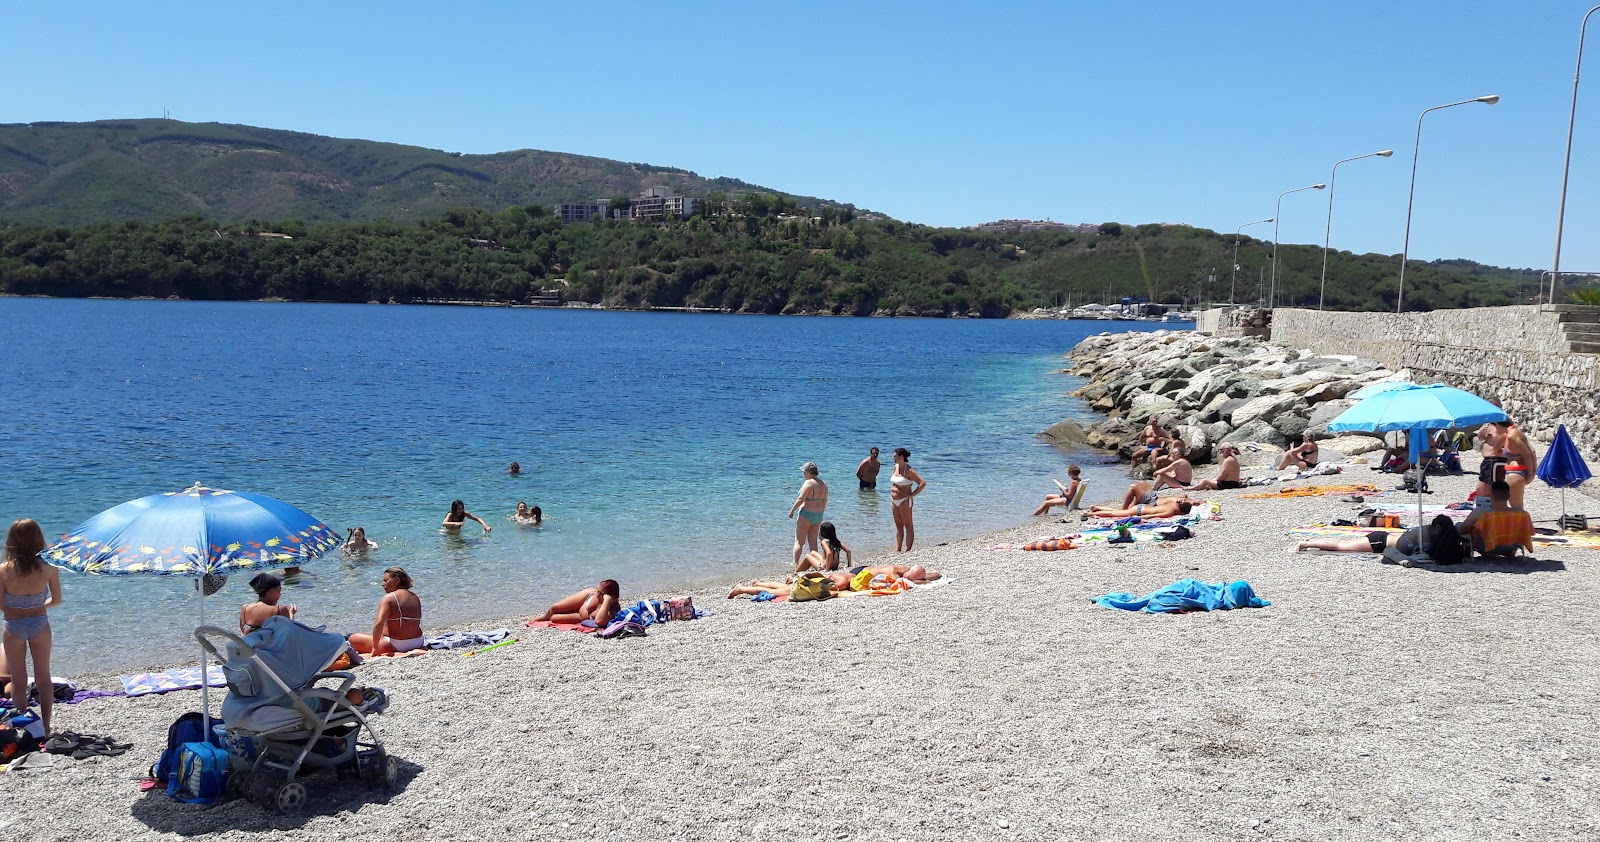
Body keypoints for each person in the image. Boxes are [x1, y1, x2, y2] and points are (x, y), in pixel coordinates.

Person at [1, 519, 63, 733]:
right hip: (39, 623)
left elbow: (0, 604)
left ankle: (24, 728)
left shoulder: (3, 570)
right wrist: (35, 606)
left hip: (13, 626)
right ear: (38, 539)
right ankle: (45, 727)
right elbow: (56, 599)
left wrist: (18, 609)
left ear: (11, 541)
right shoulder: (49, 567)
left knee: (19, 681)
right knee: (43, 678)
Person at [1294, 515, 1465, 564]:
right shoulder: (1425, 532)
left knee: (1343, 545)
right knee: (1341, 545)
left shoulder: (1434, 534)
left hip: (1386, 540)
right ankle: (1306, 543)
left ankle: (1309, 541)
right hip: (1379, 541)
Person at [348, 567, 425, 655]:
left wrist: (375, 647)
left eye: (386, 580)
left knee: (352, 638)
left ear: (397, 580)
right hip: (418, 642)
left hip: (398, 645)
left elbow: (378, 624)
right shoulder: (414, 596)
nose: (382, 584)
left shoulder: (389, 598)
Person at [1458, 480, 1534, 557]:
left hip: (1486, 546)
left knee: (1459, 526)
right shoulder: (1521, 513)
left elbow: (1463, 529)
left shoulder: (1482, 512)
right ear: (1508, 496)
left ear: (1490, 495)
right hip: (1511, 546)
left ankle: (1466, 547)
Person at [788, 462, 829, 569]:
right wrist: (821, 512)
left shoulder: (808, 483)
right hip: (818, 515)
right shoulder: (823, 484)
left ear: (810, 473)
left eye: (804, 472)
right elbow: (824, 500)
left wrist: (792, 510)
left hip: (806, 514)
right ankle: (815, 564)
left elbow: (801, 499)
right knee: (813, 541)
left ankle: (795, 564)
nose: (804, 474)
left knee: (799, 541)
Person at [1494, 420, 1540, 510]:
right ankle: (1521, 523)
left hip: (1515, 473)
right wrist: (1532, 471)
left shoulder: (1511, 437)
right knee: (1517, 506)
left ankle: (1521, 523)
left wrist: (1531, 474)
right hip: (1518, 472)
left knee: (1515, 507)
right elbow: (1532, 451)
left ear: (1497, 424)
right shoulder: (1515, 433)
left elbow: (1527, 455)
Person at [535, 580, 621, 626]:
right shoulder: (595, 595)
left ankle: (552, 616)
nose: (597, 595)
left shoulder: (613, 610)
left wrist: (606, 601)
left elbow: (599, 621)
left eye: (601, 594)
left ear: (612, 597)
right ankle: (544, 617)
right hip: (587, 598)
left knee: (554, 618)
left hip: (581, 616)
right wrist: (600, 594)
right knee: (554, 608)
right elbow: (597, 594)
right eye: (598, 591)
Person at [1085, 497, 1196, 520]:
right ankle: (1089, 514)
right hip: (1139, 511)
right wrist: (1139, 518)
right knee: (1114, 514)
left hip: (1142, 507)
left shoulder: (1173, 504)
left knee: (1119, 512)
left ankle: (1096, 508)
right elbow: (1153, 516)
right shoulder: (1171, 511)